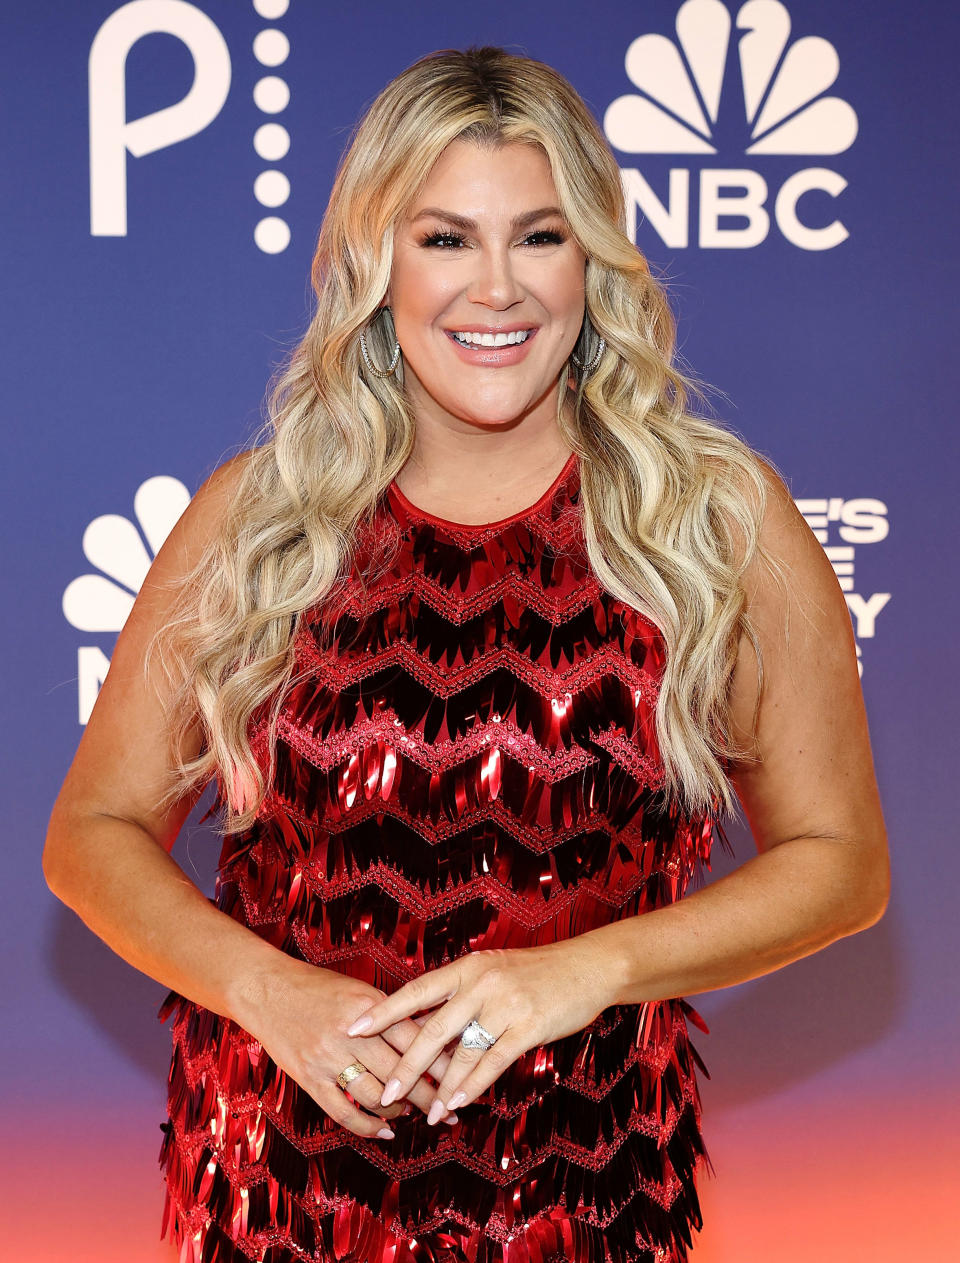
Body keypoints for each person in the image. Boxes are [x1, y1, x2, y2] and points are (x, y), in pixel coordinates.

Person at [43, 44, 889, 1263]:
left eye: (539, 237)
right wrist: (269, 992)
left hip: (587, 1186)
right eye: (445, 239)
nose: (497, 290)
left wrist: (588, 972)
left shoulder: (716, 524)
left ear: (593, 259)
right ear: (375, 265)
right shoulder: (261, 516)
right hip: (277, 1186)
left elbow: (842, 863)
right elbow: (94, 832)